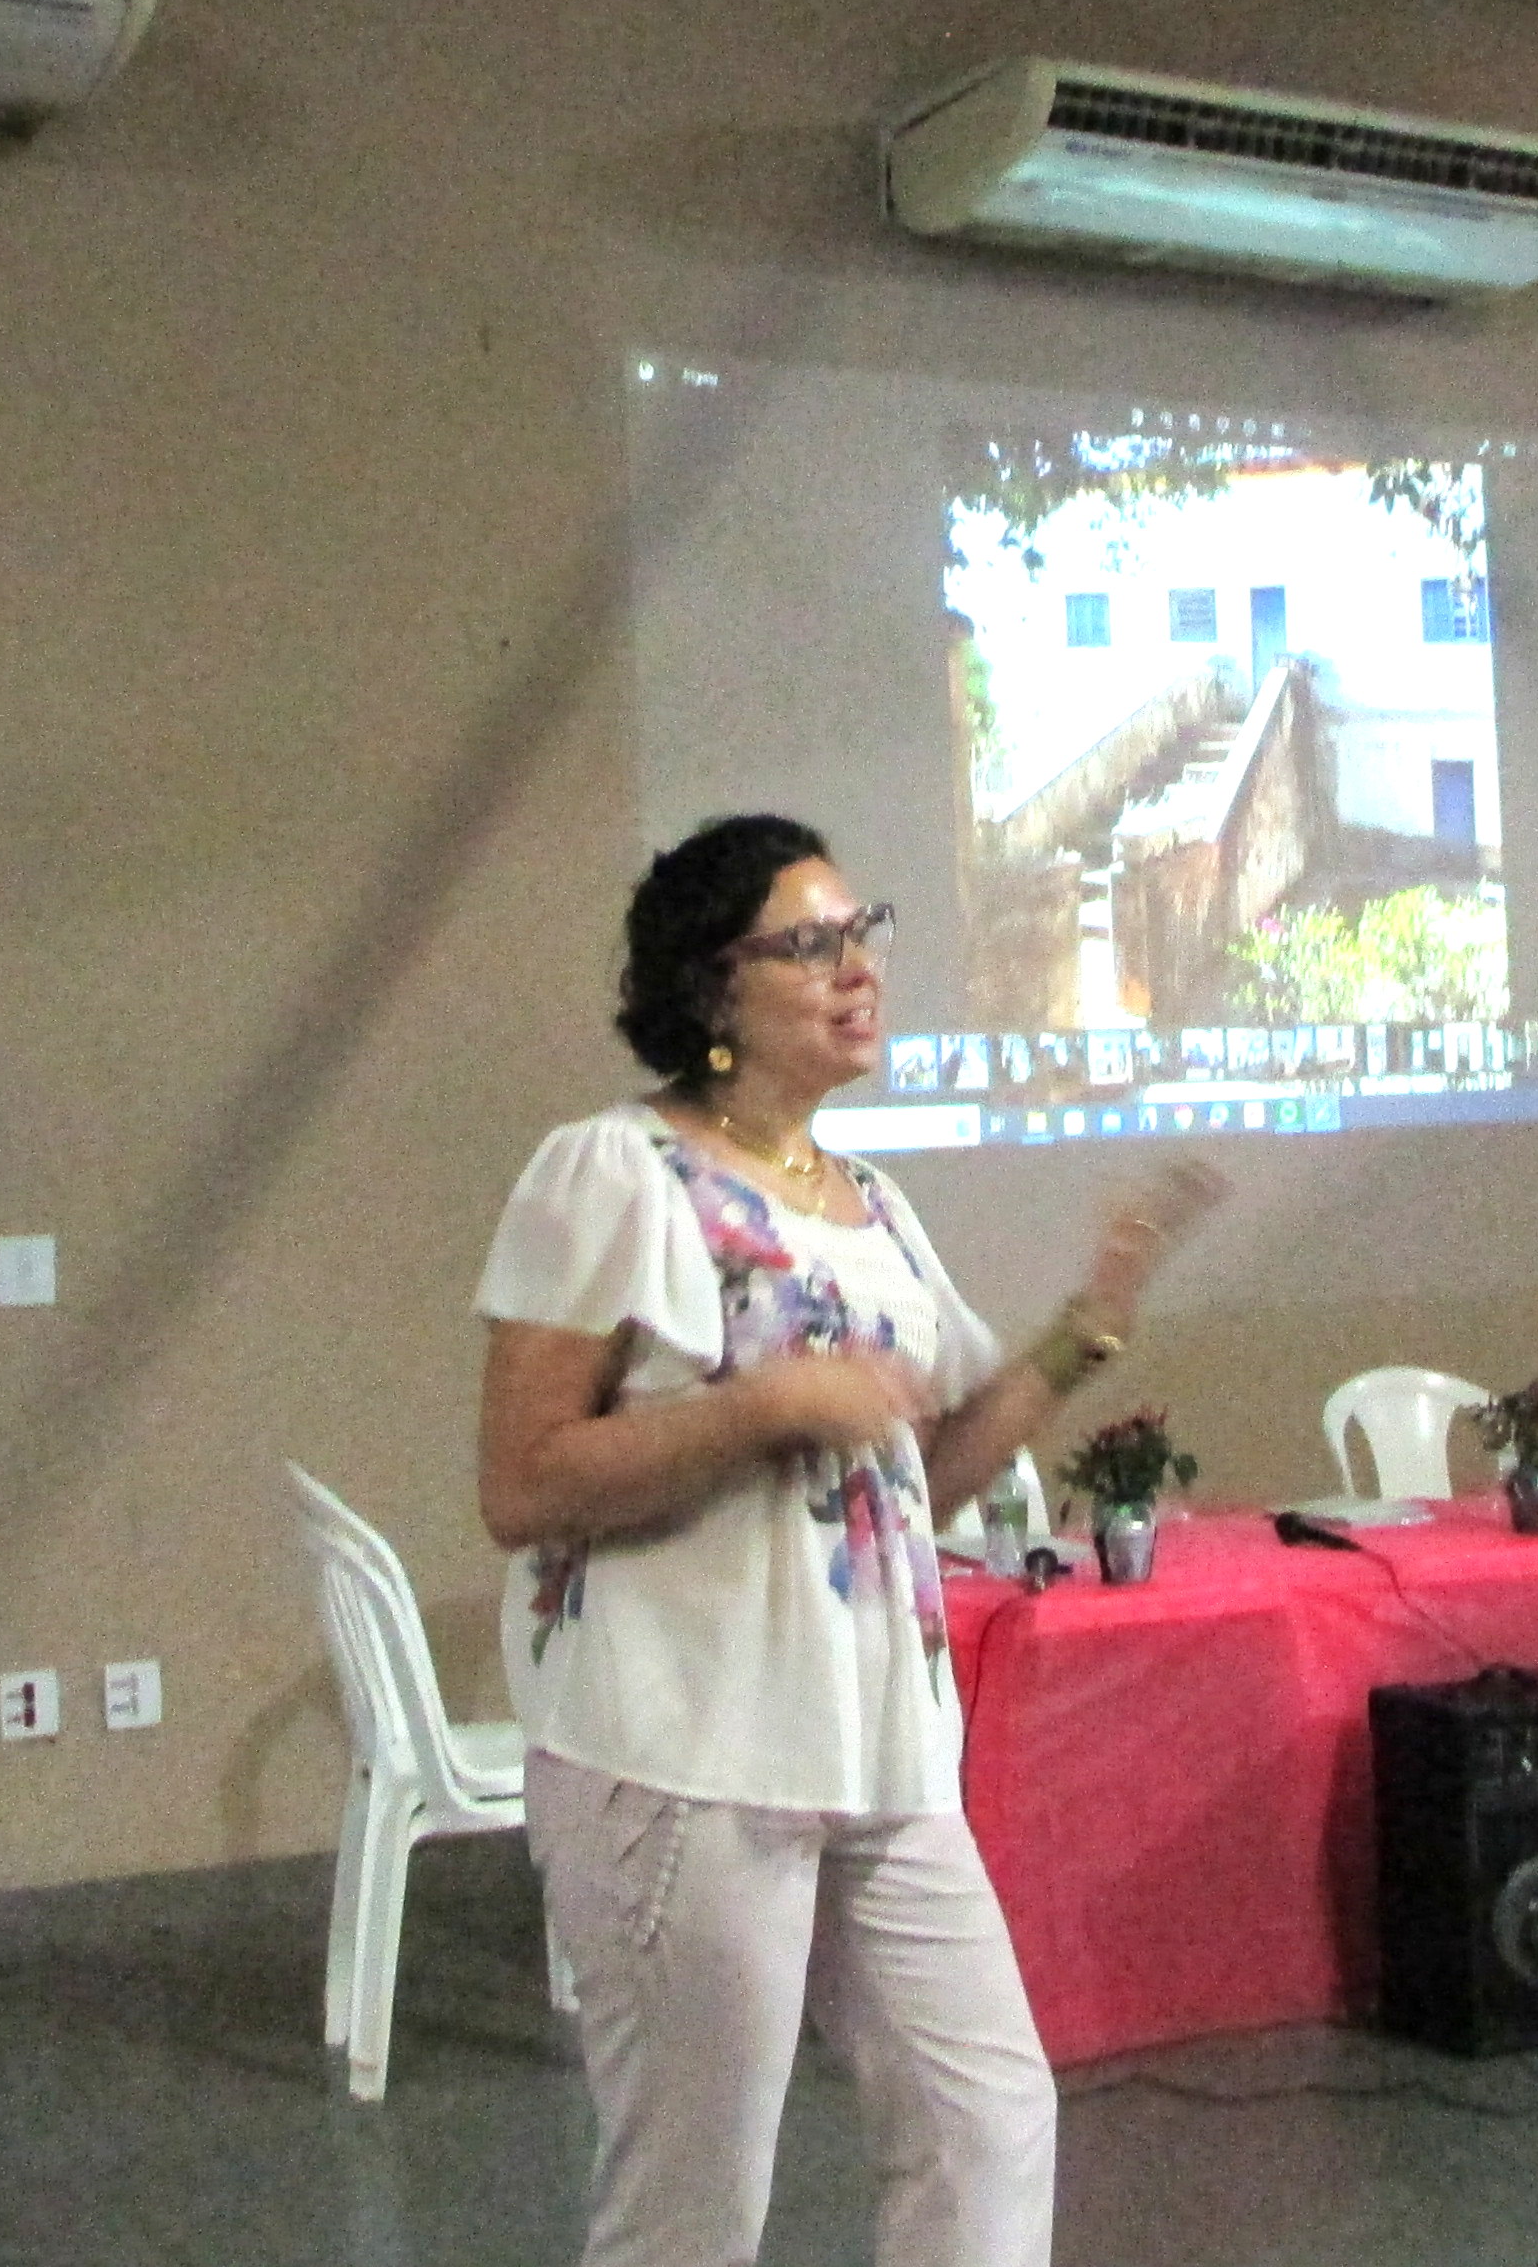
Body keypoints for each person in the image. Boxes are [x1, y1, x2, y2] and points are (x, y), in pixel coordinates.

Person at [477, 814, 1219, 2267]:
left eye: (861, 933)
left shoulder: (871, 1203)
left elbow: (914, 1480)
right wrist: (762, 1406)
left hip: (878, 1745)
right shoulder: (613, 1172)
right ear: (711, 986)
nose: (857, 969)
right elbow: (522, 1481)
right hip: (683, 1751)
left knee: (986, 2125)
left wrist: (1084, 1333)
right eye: (808, 944)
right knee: (695, 2202)